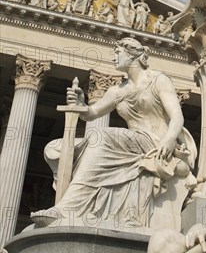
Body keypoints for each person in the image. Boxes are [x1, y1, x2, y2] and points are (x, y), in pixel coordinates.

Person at [31, 38, 196, 230]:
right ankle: (83, 208)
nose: (114, 57)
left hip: (156, 142)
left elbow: (177, 116)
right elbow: (92, 114)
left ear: (132, 55)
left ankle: (68, 207)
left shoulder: (159, 80)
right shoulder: (117, 90)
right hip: (132, 141)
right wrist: (81, 104)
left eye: (118, 53)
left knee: (100, 138)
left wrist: (168, 140)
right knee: (54, 148)